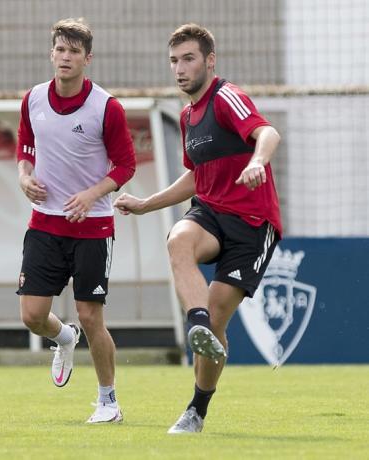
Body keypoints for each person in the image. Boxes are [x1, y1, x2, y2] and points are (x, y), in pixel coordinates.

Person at [114, 23, 282, 433]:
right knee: (179, 240)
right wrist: (146, 204)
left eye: (188, 59)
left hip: (252, 224)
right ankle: (197, 324)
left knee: (219, 317)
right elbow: (195, 177)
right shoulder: (188, 115)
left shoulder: (227, 97)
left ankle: (197, 409)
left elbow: (267, 132)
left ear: (209, 61)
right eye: (173, 60)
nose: (179, 68)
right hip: (210, 211)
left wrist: (258, 161)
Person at [16, 18, 136, 424]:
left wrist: (91, 195)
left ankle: (108, 402)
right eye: (60, 50)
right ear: (52, 53)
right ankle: (63, 338)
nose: (65, 57)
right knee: (33, 316)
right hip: (44, 224)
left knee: (91, 316)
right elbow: (25, 145)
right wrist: (23, 176)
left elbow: (126, 165)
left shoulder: (107, 107)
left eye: (74, 51)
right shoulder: (32, 99)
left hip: (93, 228)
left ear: (88, 58)